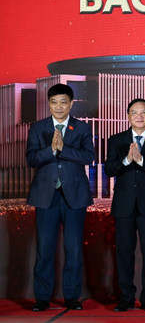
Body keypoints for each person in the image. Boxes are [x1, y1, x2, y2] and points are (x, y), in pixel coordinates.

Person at [26, 83, 95, 312]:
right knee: (45, 248)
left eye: (63, 102)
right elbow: (32, 159)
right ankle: (42, 297)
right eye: (54, 102)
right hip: (46, 195)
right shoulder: (38, 128)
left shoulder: (82, 128)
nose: (58, 106)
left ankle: (72, 296)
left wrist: (63, 149)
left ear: (71, 103)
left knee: (73, 248)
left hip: (74, 196)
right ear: (49, 103)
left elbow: (88, 157)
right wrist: (51, 151)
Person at [104, 98, 145, 312]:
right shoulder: (117, 139)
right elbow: (110, 169)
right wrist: (126, 159)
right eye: (134, 112)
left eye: (143, 112)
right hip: (124, 204)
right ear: (128, 116)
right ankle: (126, 297)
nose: (139, 116)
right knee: (124, 252)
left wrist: (141, 160)